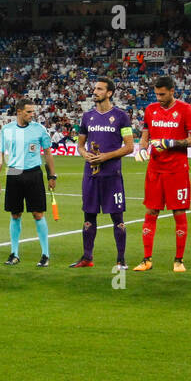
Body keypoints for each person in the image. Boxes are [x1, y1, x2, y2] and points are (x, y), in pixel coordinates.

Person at [133, 76, 191, 273]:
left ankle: (179, 260)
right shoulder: (150, 109)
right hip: (155, 169)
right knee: (151, 211)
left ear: (172, 91)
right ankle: (146, 259)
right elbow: (145, 135)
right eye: (156, 94)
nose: (159, 97)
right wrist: (143, 149)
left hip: (177, 170)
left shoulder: (185, 109)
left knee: (178, 213)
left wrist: (171, 143)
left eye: (162, 94)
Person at [72, 77, 133, 269]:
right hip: (91, 175)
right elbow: (80, 145)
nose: (95, 91)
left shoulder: (121, 116)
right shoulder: (87, 116)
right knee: (89, 216)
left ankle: (121, 260)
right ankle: (87, 258)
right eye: (95, 88)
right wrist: (86, 155)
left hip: (112, 176)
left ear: (109, 93)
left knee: (117, 218)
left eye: (99, 89)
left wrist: (106, 157)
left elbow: (130, 147)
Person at [0, 100, 57, 267]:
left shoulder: (39, 129)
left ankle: (45, 254)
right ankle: (14, 253)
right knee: (15, 214)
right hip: (14, 171)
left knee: (38, 213)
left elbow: (48, 154)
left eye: (32, 112)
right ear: (19, 112)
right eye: (28, 112)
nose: (32, 114)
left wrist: (52, 176)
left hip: (33, 172)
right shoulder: (7, 130)